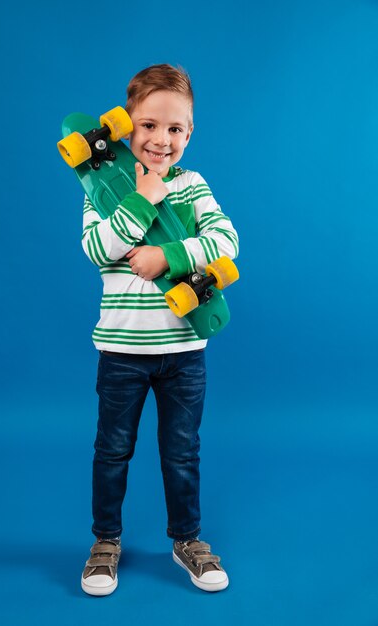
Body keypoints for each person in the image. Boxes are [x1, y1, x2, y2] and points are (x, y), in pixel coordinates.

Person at [80, 64, 239, 596]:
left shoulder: (193, 188)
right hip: (122, 352)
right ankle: (105, 542)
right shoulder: (101, 185)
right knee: (113, 449)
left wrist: (166, 255)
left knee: (181, 450)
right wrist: (144, 198)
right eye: (149, 126)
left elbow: (225, 242)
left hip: (184, 353)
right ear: (126, 127)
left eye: (175, 129)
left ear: (189, 133)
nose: (161, 140)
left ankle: (186, 540)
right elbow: (98, 249)